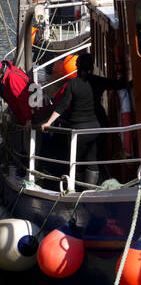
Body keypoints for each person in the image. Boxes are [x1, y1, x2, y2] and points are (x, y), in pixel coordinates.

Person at [40, 53, 123, 187]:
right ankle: (90, 190)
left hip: (79, 130)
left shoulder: (72, 84)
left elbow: (61, 107)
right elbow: (117, 85)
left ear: (77, 67)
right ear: (91, 66)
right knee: (92, 160)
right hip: (97, 128)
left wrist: (48, 123)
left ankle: (77, 190)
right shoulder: (97, 81)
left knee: (75, 162)